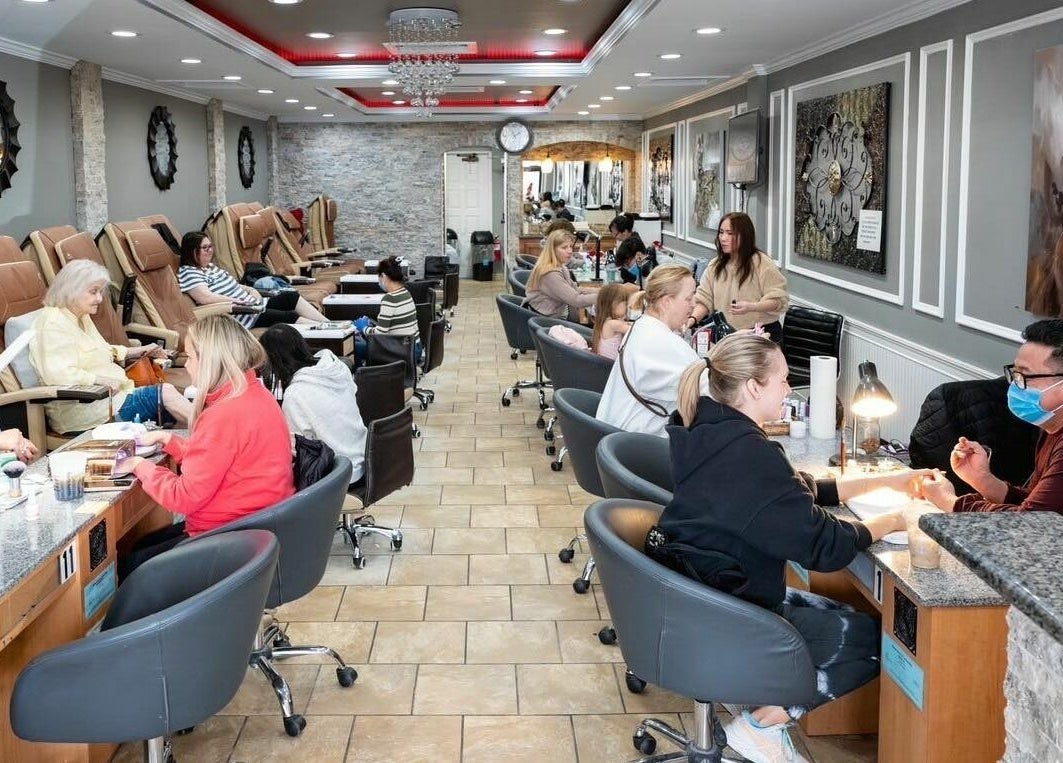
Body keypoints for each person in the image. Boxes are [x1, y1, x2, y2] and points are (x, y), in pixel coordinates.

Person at [656, 333, 929, 762]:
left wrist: (888, 480)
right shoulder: (749, 454)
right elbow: (824, 546)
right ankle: (759, 726)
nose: (789, 390)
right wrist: (896, 520)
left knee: (842, 614)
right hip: (727, 613)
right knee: (876, 642)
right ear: (753, 387)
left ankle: (763, 710)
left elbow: (797, 491)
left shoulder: (707, 431)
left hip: (697, 596)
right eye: (783, 380)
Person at [114, 315, 296, 576]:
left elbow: (182, 498)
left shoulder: (223, 415)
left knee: (131, 567)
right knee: (142, 545)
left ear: (209, 360)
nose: (186, 365)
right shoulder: (256, 394)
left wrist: (139, 465)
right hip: (258, 527)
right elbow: (223, 459)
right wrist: (172, 442)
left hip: (231, 536)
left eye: (189, 357)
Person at [29, 260, 191, 434]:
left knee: (173, 413)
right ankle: (215, 435)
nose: (99, 298)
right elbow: (58, 374)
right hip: (85, 412)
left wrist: (139, 350)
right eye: (93, 292)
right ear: (71, 290)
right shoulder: (53, 323)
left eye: (99, 292)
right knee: (165, 394)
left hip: (114, 398)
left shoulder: (80, 316)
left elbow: (100, 350)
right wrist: (100, 380)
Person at [920, 319, 1063, 514]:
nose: (1014, 385)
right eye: (1015, 373)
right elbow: (1038, 504)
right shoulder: (1051, 424)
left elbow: (1029, 524)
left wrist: (948, 501)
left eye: (1025, 377)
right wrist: (983, 480)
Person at [596, 264, 702, 437]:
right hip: (636, 446)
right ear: (666, 302)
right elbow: (706, 389)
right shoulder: (662, 342)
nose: (694, 304)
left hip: (618, 435)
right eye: (689, 298)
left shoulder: (640, 326)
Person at [259, 324, 367, 485]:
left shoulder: (295, 394)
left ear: (274, 361)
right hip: (361, 461)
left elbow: (296, 449)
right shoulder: (337, 368)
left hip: (335, 476)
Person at [178, 232, 328, 329]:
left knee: (290, 297)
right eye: (205, 248)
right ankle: (328, 333)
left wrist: (250, 290)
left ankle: (329, 324)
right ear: (192, 252)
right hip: (239, 315)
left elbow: (234, 285)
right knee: (289, 317)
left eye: (210, 246)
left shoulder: (210, 267)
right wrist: (237, 301)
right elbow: (206, 297)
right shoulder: (189, 272)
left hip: (252, 305)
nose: (210, 250)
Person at [684, 212, 789, 343]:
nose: (723, 238)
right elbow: (704, 300)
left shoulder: (762, 263)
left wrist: (752, 306)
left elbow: (778, 300)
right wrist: (692, 319)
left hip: (760, 336)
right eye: (721, 232)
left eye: (729, 233)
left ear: (744, 236)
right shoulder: (715, 265)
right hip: (726, 335)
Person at [525, 230, 597, 320]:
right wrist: (603, 297)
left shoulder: (561, 267)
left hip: (555, 317)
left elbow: (575, 288)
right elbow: (576, 300)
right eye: (564, 248)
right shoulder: (550, 274)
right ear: (552, 250)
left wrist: (602, 292)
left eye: (570, 246)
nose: (570, 251)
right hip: (549, 321)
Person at [590, 283, 632, 360]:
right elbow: (636, 330)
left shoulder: (605, 321)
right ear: (614, 304)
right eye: (626, 304)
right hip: (611, 367)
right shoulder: (612, 324)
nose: (629, 307)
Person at [609, 213, 652, 286]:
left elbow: (640, 269)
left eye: (616, 234)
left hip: (633, 284)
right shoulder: (629, 241)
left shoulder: (634, 243)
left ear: (625, 232)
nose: (615, 237)